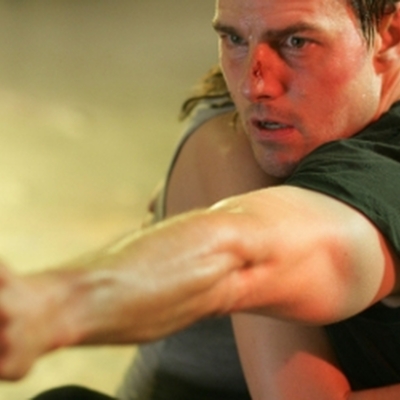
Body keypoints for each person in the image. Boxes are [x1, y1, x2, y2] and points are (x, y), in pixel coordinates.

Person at [3, 0, 400, 398]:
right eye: (234, 39)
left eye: (297, 42)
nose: (253, 86)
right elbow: (240, 257)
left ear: (390, 34)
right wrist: (52, 306)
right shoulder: (237, 144)